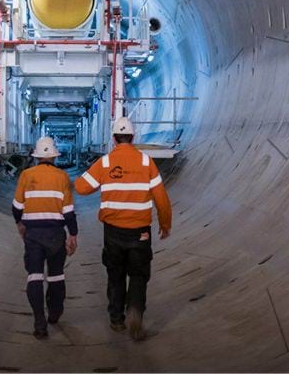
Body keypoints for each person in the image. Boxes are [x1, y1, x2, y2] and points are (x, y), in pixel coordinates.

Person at [75, 117, 172, 341]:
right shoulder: (147, 162)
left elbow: (80, 187)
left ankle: (116, 319)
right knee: (138, 275)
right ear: (133, 137)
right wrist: (165, 224)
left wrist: (103, 181)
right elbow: (161, 198)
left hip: (113, 232)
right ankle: (135, 311)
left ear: (113, 138)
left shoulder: (106, 163)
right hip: (140, 231)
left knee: (115, 274)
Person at [12, 136, 79, 339]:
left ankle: (39, 323)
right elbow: (68, 211)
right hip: (56, 235)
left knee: (34, 276)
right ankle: (55, 313)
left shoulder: (26, 175)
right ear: (54, 157)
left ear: (37, 157)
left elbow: (16, 207)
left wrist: (20, 224)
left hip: (33, 235)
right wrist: (73, 234)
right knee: (56, 275)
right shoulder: (62, 177)